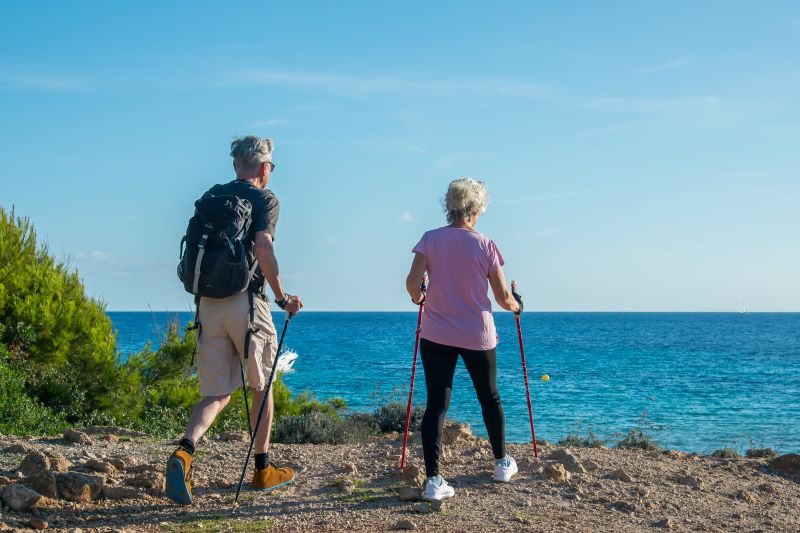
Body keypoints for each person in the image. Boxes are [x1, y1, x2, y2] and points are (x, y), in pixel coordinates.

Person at [166, 135, 304, 505]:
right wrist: (281, 296)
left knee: (217, 392)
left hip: (206, 303)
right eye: (271, 166)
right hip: (245, 301)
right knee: (261, 385)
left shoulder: (212, 195)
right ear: (263, 168)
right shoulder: (265, 198)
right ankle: (263, 470)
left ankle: (184, 452)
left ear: (234, 166)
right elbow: (263, 245)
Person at [405, 177, 521, 502]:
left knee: (436, 406)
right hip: (476, 333)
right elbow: (501, 298)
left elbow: (413, 284)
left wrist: (421, 297)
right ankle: (501, 464)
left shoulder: (430, 239)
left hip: (436, 333)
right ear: (473, 208)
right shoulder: (485, 244)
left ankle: (433, 481)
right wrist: (518, 305)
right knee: (490, 398)